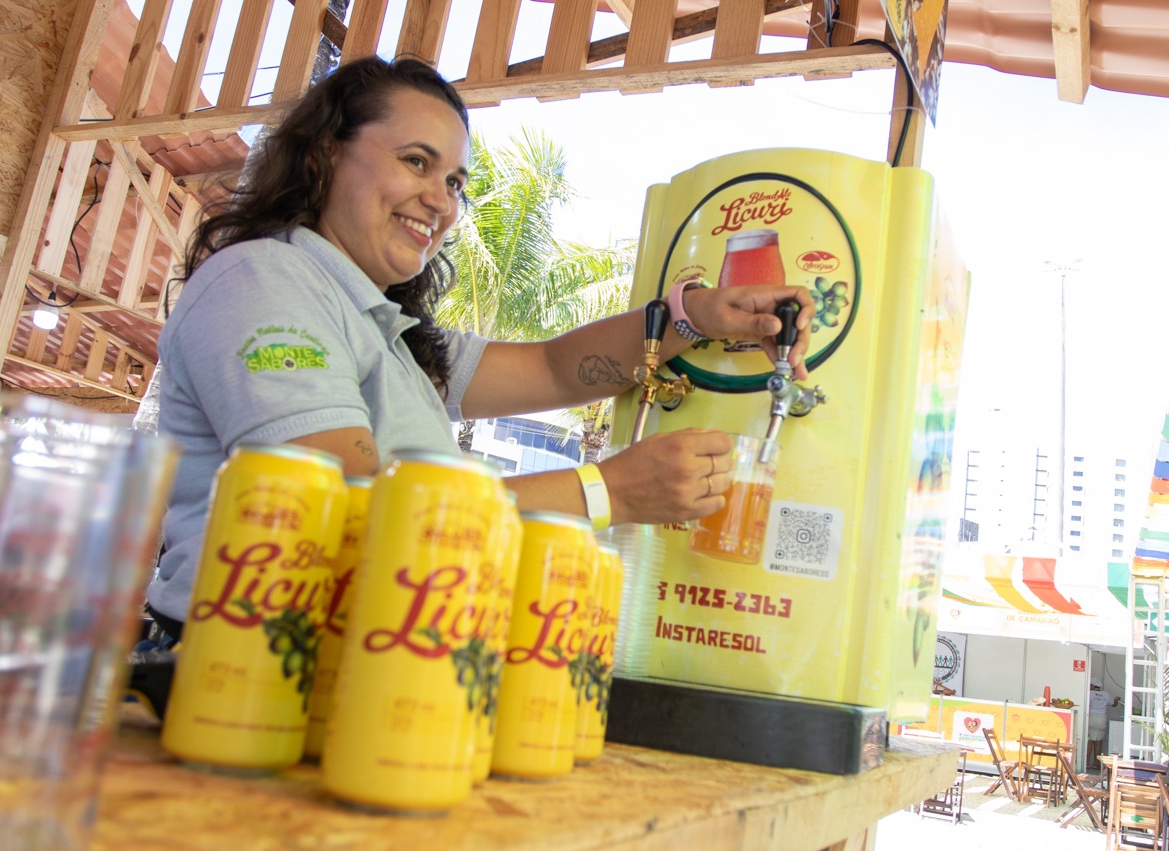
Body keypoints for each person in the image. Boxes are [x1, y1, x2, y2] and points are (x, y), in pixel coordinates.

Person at [143, 56, 816, 639]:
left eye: (456, 182)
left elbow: (551, 369)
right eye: (417, 163)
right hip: (245, 676)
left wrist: (694, 315)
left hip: (369, 667)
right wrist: (608, 490)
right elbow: (349, 505)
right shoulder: (263, 281)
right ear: (324, 154)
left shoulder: (385, 329)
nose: (441, 200)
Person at [1086, 682, 1114, 770]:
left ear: (1093, 686)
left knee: (1089, 741)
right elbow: (1113, 704)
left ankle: (1086, 763)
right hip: (1102, 719)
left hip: (1092, 718)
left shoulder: (1089, 693)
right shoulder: (1106, 694)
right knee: (1098, 743)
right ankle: (1096, 764)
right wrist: (1116, 699)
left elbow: (1086, 704)